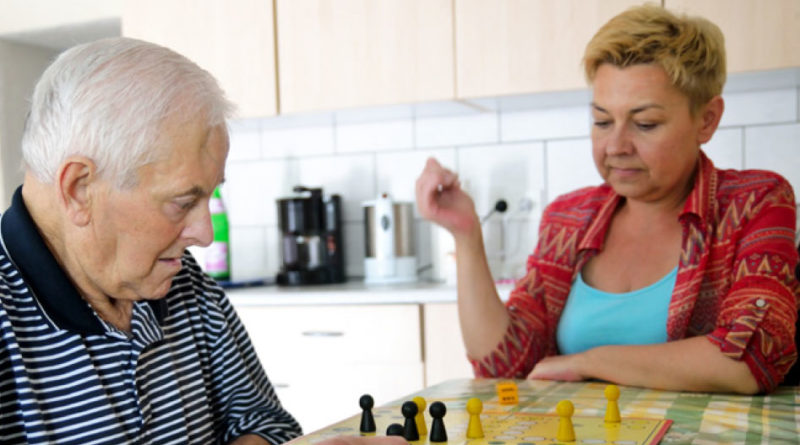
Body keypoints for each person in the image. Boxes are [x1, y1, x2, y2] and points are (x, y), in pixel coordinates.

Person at [0, 38, 405, 445]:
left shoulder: (182, 280)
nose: (206, 236)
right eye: (183, 202)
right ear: (79, 189)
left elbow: (262, 421)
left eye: (208, 196)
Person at [416, 4, 799, 394]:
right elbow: (505, 364)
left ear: (707, 119)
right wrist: (466, 236)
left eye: (645, 123)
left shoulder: (756, 202)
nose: (615, 146)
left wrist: (590, 362)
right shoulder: (568, 217)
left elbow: (750, 360)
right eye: (601, 121)